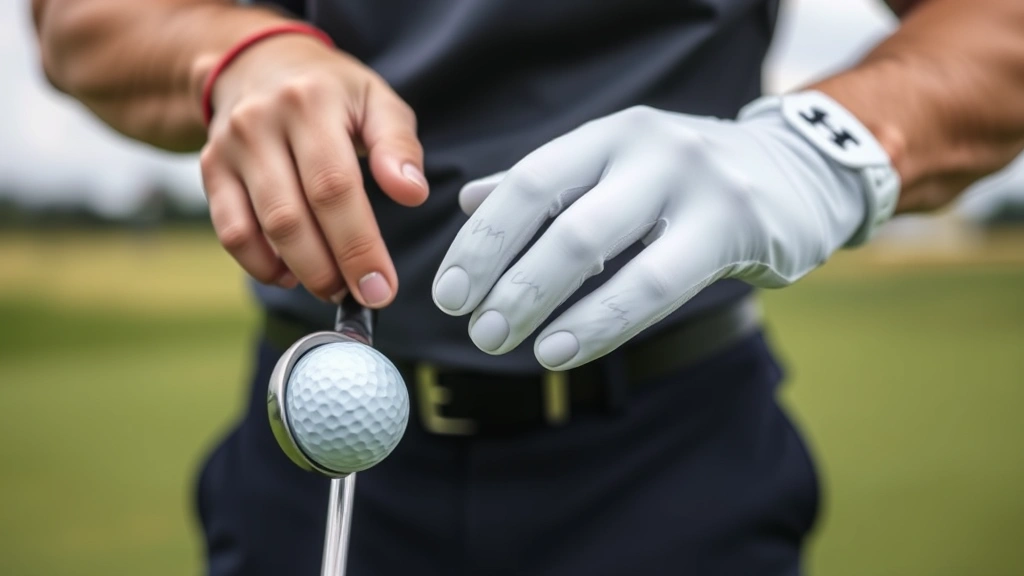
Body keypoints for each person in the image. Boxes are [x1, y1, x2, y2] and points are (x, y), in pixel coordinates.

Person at [31, 0, 1024, 574]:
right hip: (317, 457)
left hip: (672, 451)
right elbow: (78, 22)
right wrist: (238, 53)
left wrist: (818, 148)